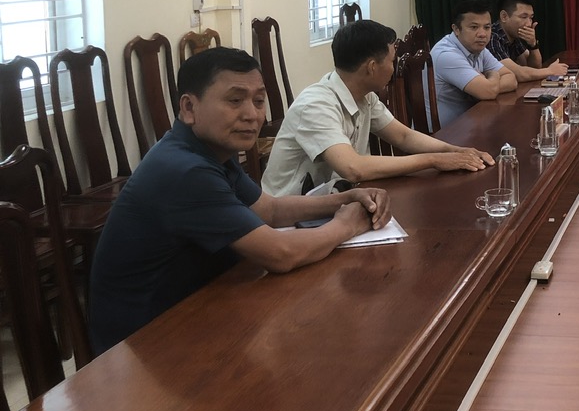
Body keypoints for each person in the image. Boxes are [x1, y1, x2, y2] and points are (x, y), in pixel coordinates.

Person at [89, 48, 392, 354]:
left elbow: (270, 210)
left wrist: (346, 198)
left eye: (258, 101)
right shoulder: (184, 170)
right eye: (235, 100)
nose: (252, 115)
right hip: (143, 345)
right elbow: (280, 253)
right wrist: (346, 225)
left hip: (199, 309)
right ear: (189, 107)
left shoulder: (209, 149)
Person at [261, 19, 493, 197]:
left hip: (332, 200)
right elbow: (353, 168)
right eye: (392, 61)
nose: (394, 68)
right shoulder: (316, 105)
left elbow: (403, 136)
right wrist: (433, 160)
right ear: (372, 67)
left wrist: (456, 152)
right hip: (288, 217)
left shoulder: (365, 97)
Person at [430, 0, 518, 129]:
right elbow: (488, 92)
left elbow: (511, 79)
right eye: (474, 27)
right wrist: (493, 75)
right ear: (456, 29)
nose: (482, 34)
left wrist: (488, 83)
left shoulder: (478, 48)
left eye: (487, 27)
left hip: (470, 123)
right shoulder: (446, 55)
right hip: (443, 133)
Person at [486, 0, 570, 83]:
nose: (529, 24)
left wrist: (533, 45)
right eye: (524, 17)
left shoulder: (513, 36)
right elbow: (519, 74)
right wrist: (550, 71)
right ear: (504, 16)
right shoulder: (492, 37)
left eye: (531, 18)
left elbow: (534, 67)